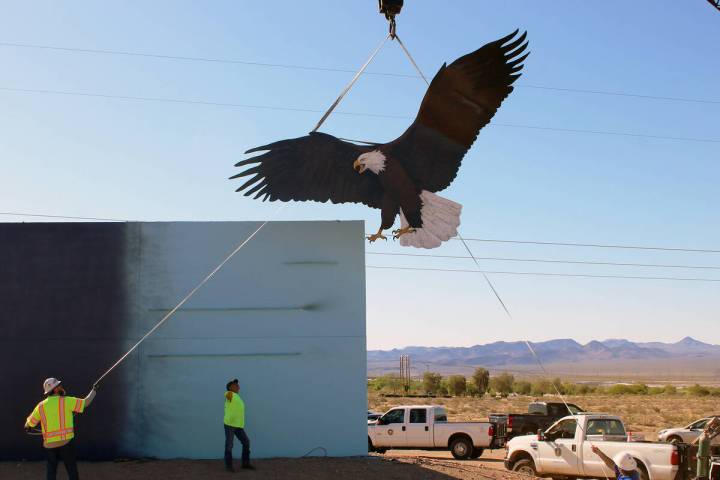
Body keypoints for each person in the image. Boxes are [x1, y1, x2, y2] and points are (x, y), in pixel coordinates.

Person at [24, 377, 97, 480]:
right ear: (54, 389)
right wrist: (94, 390)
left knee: (51, 472)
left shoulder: (41, 406)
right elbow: (86, 402)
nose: (61, 387)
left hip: (49, 445)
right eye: (58, 386)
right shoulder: (67, 401)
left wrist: (27, 426)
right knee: (72, 470)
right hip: (66, 443)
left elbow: (29, 424)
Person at [224, 378, 253, 472]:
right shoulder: (230, 394)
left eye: (237, 385)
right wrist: (229, 392)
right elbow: (227, 395)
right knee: (229, 445)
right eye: (235, 385)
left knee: (246, 442)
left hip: (238, 426)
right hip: (229, 425)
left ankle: (245, 463)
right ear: (230, 387)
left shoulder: (237, 397)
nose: (238, 386)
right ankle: (228, 466)